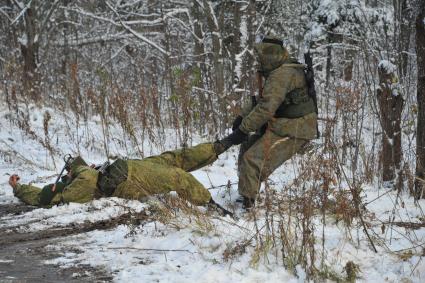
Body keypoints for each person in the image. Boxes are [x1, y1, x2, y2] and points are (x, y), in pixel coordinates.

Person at [223, 35, 318, 208]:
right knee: (247, 148)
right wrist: (242, 117)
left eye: (263, 55)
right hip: (283, 124)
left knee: (252, 159)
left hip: (296, 129)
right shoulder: (277, 70)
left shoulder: (283, 74)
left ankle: (248, 207)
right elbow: (261, 99)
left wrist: (243, 129)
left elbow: (266, 108)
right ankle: (245, 194)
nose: (260, 59)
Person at [8, 141, 232, 211]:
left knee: (174, 157)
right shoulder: (79, 184)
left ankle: (221, 146)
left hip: (133, 167)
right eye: (68, 171)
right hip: (132, 179)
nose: (69, 170)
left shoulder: (84, 173)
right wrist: (19, 189)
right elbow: (44, 198)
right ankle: (211, 205)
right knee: (178, 176)